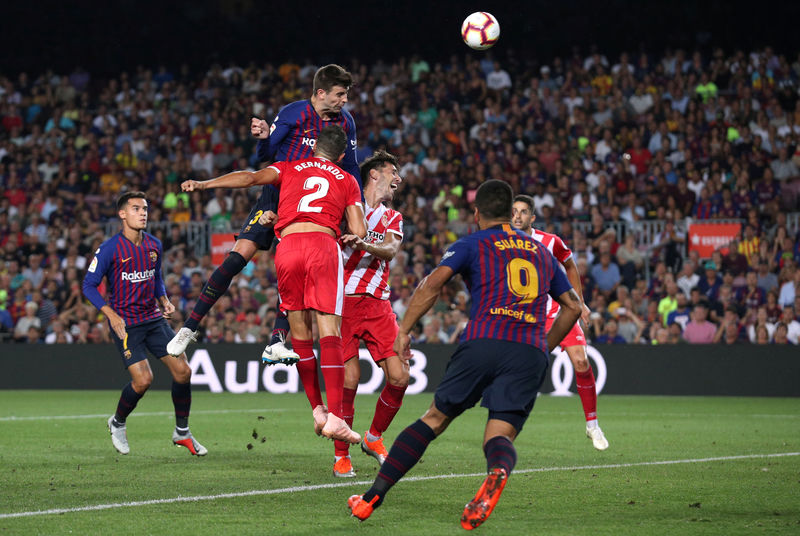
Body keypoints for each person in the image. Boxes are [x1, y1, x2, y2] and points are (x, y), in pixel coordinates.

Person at [347, 180, 582, 530]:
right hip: (528, 351)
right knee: (498, 437)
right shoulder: (541, 251)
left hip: (484, 341)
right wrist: (543, 348)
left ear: (476, 213)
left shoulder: (473, 242)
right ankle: (498, 471)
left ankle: (371, 498)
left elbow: (432, 285)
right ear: (509, 213)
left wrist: (405, 331)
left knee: (434, 420)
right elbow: (573, 307)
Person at [180, 125, 366, 443]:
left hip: (288, 246)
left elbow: (250, 178)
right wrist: (353, 232)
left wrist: (205, 184)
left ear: (315, 148)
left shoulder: (289, 167)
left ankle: (317, 409)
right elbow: (359, 229)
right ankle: (335, 415)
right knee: (328, 331)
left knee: (300, 334)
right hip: (322, 245)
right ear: (340, 155)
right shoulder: (347, 179)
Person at [167, 64, 359, 364]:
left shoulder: (345, 123)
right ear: (321, 93)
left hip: (308, 207)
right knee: (236, 258)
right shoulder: (294, 113)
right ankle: (190, 326)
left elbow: (351, 167)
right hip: (276, 192)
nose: (344, 100)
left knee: (293, 269)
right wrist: (263, 137)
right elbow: (263, 159)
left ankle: (276, 340)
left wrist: (354, 206)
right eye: (340, 94)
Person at [82, 192, 206, 456]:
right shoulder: (109, 249)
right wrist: (110, 314)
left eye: (145, 208)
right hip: (125, 324)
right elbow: (88, 286)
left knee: (183, 372)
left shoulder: (154, 245)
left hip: (152, 319)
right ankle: (117, 423)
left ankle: (182, 432)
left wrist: (164, 299)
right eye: (136, 208)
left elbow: (155, 277)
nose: (143, 213)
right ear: (122, 214)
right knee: (143, 380)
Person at [510, 194, 609, 450]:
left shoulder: (550, 241)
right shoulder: (503, 242)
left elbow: (570, 265)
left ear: (532, 217)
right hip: (524, 316)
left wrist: (579, 302)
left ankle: (593, 425)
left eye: (523, 212)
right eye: (514, 211)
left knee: (580, 360)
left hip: (555, 312)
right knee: (519, 371)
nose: (517, 216)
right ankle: (505, 424)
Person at [332, 151, 408, 478]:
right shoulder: (346, 207)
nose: (398, 178)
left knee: (400, 377)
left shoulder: (392, 217)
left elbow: (390, 250)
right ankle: (341, 455)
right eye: (393, 171)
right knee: (349, 378)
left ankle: (373, 437)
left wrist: (363, 245)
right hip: (343, 304)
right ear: (374, 174)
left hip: (378, 305)